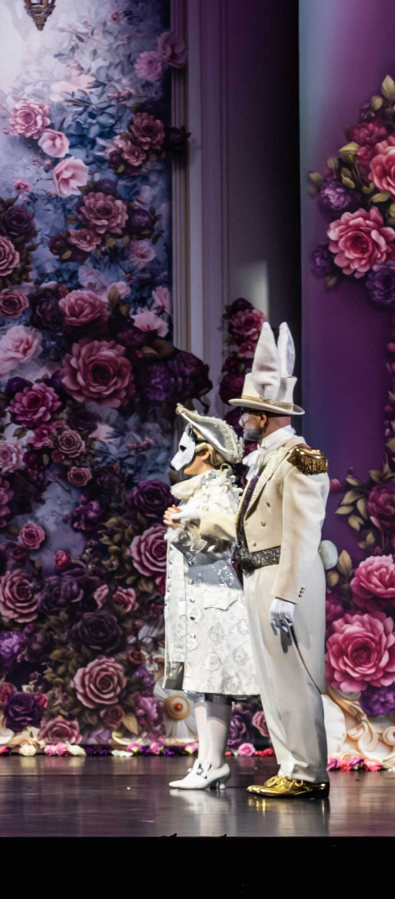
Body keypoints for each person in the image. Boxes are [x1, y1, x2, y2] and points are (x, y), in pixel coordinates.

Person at [223, 322, 331, 798]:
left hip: (286, 577)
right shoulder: (267, 458)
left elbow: (303, 535)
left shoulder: (299, 459)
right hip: (259, 574)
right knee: (273, 677)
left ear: (265, 417)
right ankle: (291, 766)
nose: (242, 419)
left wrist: (286, 594)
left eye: (247, 412)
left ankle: (307, 771)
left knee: (293, 675)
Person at [160, 406, 259, 791]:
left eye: (186, 446)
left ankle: (213, 762)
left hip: (214, 599)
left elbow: (226, 536)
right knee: (201, 682)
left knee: (213, 681)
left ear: (204, 452)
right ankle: (207, 762)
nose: (179, 454)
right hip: (196, 600)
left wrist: (185, 523)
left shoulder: (218, 488)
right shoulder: (200, 490)